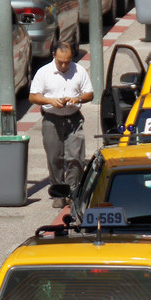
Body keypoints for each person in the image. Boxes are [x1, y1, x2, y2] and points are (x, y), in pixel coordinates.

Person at [29, 41, 94, 208]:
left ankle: (73, 191)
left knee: (75, 157)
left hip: (73, 119)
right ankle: (59, 192)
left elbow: (89, 94)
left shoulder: (79, 71)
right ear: (53, 56)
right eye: (60, 62)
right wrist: (50, 101)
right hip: (52, 120)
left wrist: (77, 99)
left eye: (67, 61)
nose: (64, 65)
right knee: (54, 158)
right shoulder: (44, 72)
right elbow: (33, 96)